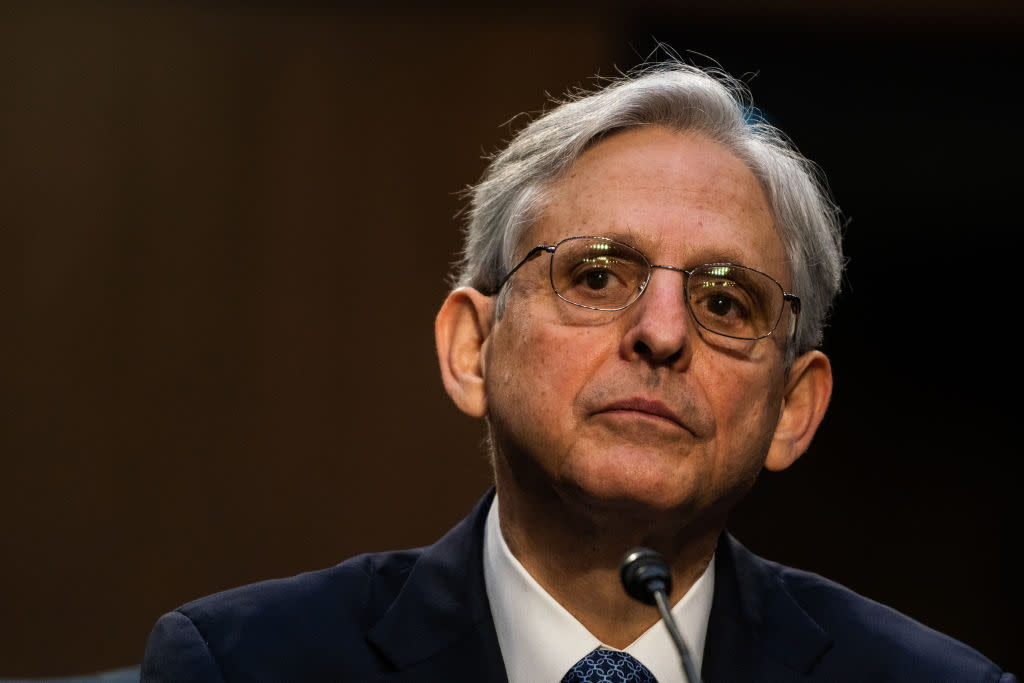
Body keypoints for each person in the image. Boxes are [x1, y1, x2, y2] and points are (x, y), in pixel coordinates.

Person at [141, 62, 1017, 682]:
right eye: (597, 275)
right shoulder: (243, 664)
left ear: (794, 408)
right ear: (470, 347)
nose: (663, 333)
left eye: (724, 303)